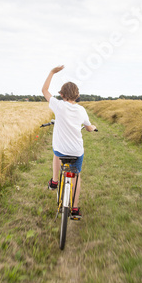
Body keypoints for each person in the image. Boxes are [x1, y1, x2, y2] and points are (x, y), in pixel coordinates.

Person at [41, 65, 97, 217]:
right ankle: (75, 209)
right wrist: (92, 127)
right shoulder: (81, 110)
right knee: (76, 176)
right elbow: (88, 127)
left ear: (61, 94)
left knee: (56, 154)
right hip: (77, 152)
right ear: (77, 95)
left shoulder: (58, 105)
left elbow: (45, 91)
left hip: (61, 149)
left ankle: (54, 181)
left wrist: (52, 72)